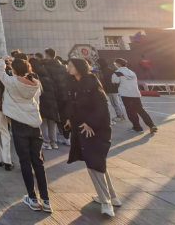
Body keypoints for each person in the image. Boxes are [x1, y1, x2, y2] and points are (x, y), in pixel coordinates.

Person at [0, 57, 52, 214]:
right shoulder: (36, 84)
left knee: (25, 161)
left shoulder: (11, 82)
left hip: (19, 124)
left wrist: (3, 59)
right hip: (34, 124)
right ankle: (46, 200)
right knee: (38, 161)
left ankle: (32, 198)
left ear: (14, 69)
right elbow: (38, 99)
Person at [66, 58, 120, 217]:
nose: (68, 68)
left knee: (94, 165)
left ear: (80, 67)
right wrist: (70, 119)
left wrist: (90, 122)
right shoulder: (74, 84)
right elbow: (74, 105)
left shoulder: (91, 83)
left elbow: (102, 107)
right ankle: (113, 197)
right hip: (82, 128)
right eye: (68, 65)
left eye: (71, 66)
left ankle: (106, 203)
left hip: (94, 130)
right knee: (98, 163)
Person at [112, 59, 158, 133]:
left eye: (115, 64)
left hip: (125, 94)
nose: (115, 65)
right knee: (141, 110)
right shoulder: (132, 72)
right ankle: (152, 125)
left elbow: (114, 82)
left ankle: (137, 127)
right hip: (135, 93)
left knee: (131, 111)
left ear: (118, 64)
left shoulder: (117, 73)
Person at [42, 48, 71, 146]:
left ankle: (54, 138)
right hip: (64, 94)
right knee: (64, 116)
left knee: (53, 117)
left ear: (47, 55)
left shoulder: (45, 67)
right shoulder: (63, 67)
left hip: (53, 95)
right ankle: (67, 138)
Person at [30, 57, 60, 150]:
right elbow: (55, 89)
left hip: (42, 101)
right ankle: (53, 142)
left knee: (43, 122)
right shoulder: (47, 75)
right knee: (51, 122)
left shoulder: (34, 76)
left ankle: (46, 142)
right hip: (52, 101)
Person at [96, 58, 126, 123]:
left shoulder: (106, 71)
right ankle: (120, 116)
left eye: (98, 64)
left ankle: (121, 116)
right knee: (114, 103)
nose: (97, 65)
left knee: (115, 103)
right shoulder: (104, 70)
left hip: (112, 89)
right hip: (109, 89)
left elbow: (107, 81)